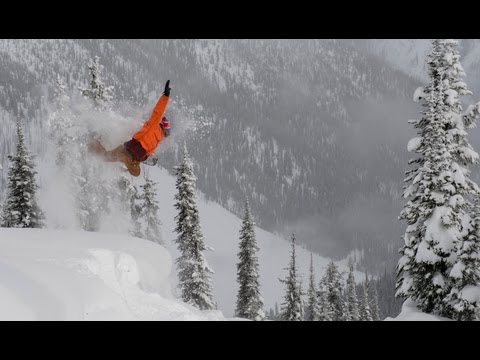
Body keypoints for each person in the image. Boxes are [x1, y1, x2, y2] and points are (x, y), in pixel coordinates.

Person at [88, 80, 172, 176]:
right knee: (132, 170)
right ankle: (91, 143)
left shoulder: (157, 140)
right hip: (130, 154)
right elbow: (158, 111)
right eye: (166, 133)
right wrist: (165, 96)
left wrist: (145, 157)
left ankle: (92, 143)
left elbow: (147, 152)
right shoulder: (154, 126)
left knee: (107, 157)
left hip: (129, 151)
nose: (165, 136)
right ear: (164, 129)